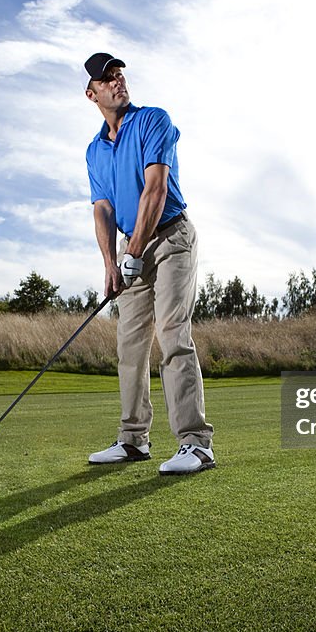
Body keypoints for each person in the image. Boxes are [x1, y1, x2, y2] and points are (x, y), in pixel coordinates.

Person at [82, 52, 215, 475]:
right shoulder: (94, 150)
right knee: (130, 344)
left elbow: (155, 191)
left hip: (171, 236)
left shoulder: (154, 120)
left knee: (173, 332)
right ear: (92, 93)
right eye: (107, 80)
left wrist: (134, 251)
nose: (117, 82)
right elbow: (102, 208)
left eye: (119, 75)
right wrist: (110, 264)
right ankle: (133, 439)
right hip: (130, 248)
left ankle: (196, 444)